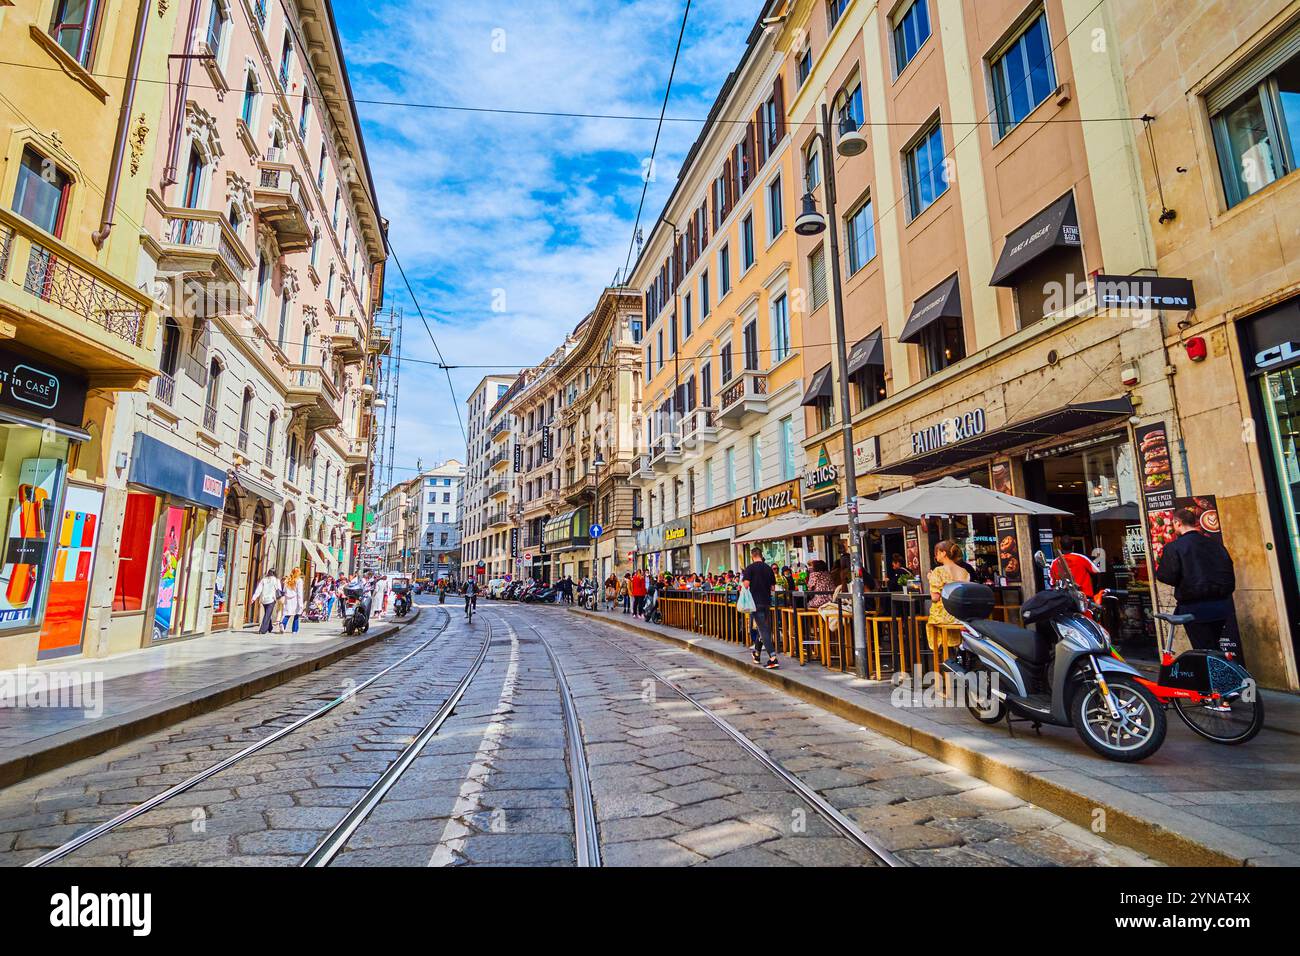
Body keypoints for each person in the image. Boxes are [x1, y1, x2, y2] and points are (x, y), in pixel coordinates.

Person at [1155, 509, 1243, 663]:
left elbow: (1165, 576)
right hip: (1221, 606)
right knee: (1214, 647)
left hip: (1194, 608)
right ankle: (1222, 680)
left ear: (1177, 523)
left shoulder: (1174, 547)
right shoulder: (1216, 545)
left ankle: (1214, 685)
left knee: (1203, 650)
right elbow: (1228, 570)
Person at [926, 541, 971, 652]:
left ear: (943, 553)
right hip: (961, 615)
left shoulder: (938, 571)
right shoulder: (964, 572)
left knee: (931, 621)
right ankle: (958, 650)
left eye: (936, 553)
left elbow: (935, 598)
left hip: (944, 615)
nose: (935, 556)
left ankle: (943, 655)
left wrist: (930, 579)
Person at [742, 547, 779, 670]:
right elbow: (773, 588)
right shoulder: (769, 568)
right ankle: (757, 654)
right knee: (761, 627)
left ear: (752, 556)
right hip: (766, 602)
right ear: (761, 555)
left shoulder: (750, 568)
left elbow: (746, 585)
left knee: (763, 629)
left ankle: (773, 657)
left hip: (755, 603)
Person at [251, 569, 281, 635]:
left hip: (264, 599)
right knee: (267, 614)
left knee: (267, 613)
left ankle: (270, 627)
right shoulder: (276, 580)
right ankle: (262, 630)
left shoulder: (263, 580)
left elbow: (259, 589)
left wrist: (253, 598)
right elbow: (279, 589)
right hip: (271, 599)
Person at [281, 568, 304, 633]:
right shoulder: (299, 581)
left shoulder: (288, 580)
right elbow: (300, 593)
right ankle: (294, 630)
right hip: (295, 600)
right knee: (296, 615)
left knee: (287, 614)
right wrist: (301, 604)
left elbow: (284, 590)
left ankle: (283, 623)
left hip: (288, 599)